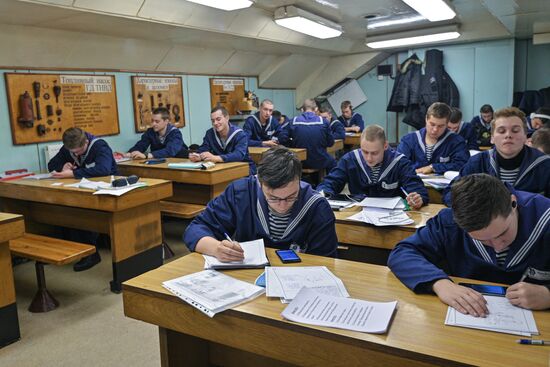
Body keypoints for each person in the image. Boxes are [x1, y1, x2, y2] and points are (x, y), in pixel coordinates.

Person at [388, 174, 550, 315]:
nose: (498, 247)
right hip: (468, 318)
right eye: (483, 240)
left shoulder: (545, 218)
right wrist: (439, 283)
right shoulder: (450, 221)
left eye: (502, 234)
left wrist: (548, 296)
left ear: (513, 203)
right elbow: (403, 252)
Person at [183, 147, 338, 260]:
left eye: (291, 197)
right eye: (273, 198)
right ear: (259, 182)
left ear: (299, 180)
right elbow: (195, 229)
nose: (282, 206)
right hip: (247, 282)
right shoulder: (241, 193)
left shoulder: (317, 207)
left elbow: (326, 262)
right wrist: (216, 249)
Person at [442, 107, 550, 206]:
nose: (508, 135)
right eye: (501, 131)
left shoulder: (545, 165)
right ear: (492, 138)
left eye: (515, 130)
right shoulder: (478, 162)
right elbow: (450, 194)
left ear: (525, 136)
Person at [48, 127, 118, 271]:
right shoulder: (69, 147)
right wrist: (63, 165)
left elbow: (103, 169)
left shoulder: (99, 146)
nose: (75, 154)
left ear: (86, 141)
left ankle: (91, 253)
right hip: (83, 190)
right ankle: (79, 249)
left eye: (78, 151)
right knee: (64, 207)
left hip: (108, 190)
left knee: (82, 211)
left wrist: (73, 174)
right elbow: (51, 165)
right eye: (72, 152)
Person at [317, 125, 428, 209]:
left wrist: (418, 199)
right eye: (365, 151)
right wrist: (323, 193)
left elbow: (417, 189)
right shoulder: (350, 160)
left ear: (385, 146)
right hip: (358, 214)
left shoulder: (400, 162)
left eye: (374, 153)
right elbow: (331, 182)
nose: (369, 158)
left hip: (391, 218)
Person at [397, 102, 469, 175]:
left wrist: (433, 167)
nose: (435, 129)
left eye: (440, 126)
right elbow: (400, 164)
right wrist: (419, 169)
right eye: (432, 124)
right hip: (412, 183)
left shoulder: (457, 141)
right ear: (426, 119)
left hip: (445, 185)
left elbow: (463, 164)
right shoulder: (408, 140)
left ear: (447, 124)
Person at [189, 106, 255, 175]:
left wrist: (216, 158)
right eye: (213, 121)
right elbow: (204, 148)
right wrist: (199, 156)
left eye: (218, 119)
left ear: (227, 118)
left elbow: (238, 155)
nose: (215, 123)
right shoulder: (210, 133)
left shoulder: (240, 134)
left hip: (244, 169)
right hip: (222, 169)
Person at [288, 99, 335, 172]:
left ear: (302, 110)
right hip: (319, 160)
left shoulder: (293, 121)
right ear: (316, 109)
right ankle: (329, 183)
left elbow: (282, 138)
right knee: (333, 162)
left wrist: (293, 143)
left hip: (299, 161)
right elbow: (331, 143)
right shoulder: (324, 121)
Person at [123, 107, 188, 159]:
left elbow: (170, 151)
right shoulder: (150, 132)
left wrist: (147, 156)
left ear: (166, 121)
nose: (153, 124)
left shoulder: (175, 133)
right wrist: (129, 153)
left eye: (157, 121)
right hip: (160, 163)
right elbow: (141, 145)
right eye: (152, 121)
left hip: (178, 162)